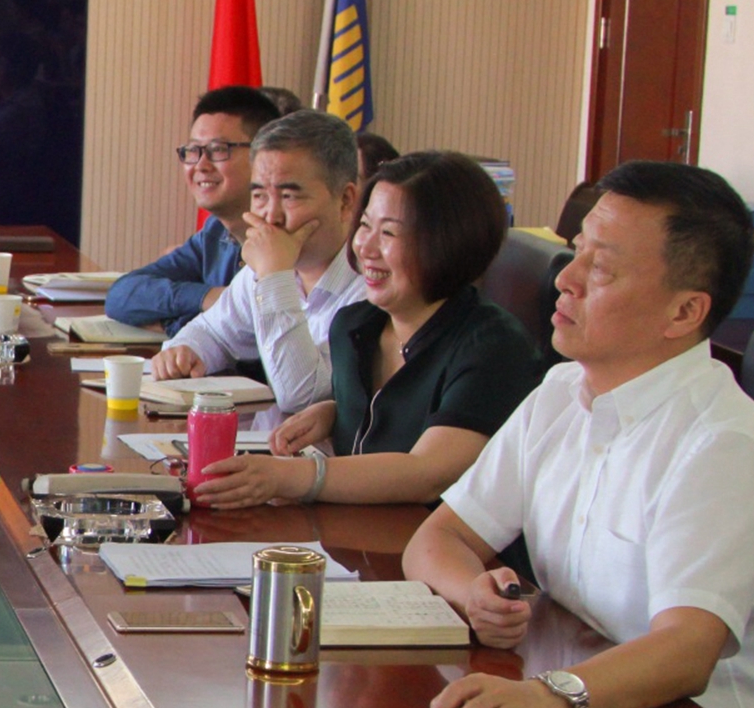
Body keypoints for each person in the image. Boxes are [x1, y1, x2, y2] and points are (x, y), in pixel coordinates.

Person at [401, 161, 754, 708]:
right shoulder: (561, 393)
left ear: (684, 312)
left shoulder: (721, 447)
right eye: (576, 251)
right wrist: (474, 594)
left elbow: (685, 652)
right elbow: (438, 539)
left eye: (602, 269)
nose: (565, 279)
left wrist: (549, 697)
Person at [192, 152, 549, 509]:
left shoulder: (494, 346)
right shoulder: (356, 325)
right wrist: (337, 412)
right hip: (352, 532)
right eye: (364, 225)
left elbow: (428, 473)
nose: (365, 246)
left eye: (389, 232)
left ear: (450, 242)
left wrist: (289, 476)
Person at [149, 109, 367, 411]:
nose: (271, 217)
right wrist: (185, 351)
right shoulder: (265, 269)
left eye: (289, 196)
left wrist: (275, 276)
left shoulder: (370, 284)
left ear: (345, 201)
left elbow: (301, 397)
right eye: (260, 195)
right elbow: (213, 332)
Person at [105, 86, 282, 334]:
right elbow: (122, 295)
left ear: (264, 156)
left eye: (218, 149)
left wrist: (174, 323)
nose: (200, 165)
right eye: (193, 151)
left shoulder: (283, 239)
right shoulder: (215, 233)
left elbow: (251, 337)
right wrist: (208, 297)